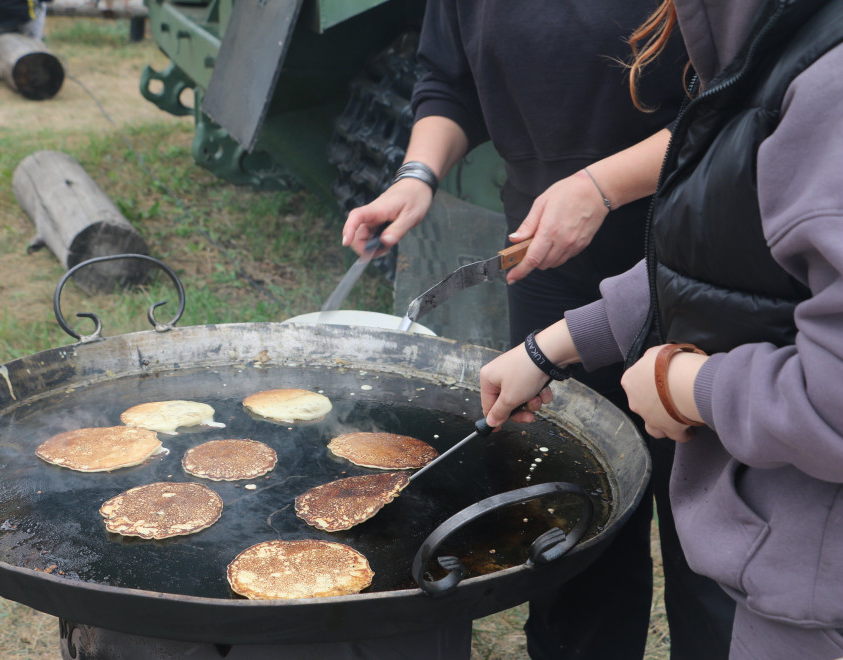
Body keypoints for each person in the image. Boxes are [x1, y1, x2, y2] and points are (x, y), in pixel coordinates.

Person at [341, 2, 735, 658]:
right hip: (551, 267)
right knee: (571, 527)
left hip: (706, 261)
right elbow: (449, 78)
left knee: (711, 549)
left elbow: (746, 103)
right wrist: (418, 175)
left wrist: (601, 186)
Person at [480, 0, 843, 657]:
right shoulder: (771, 47)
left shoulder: (830, 86)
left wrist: (685, 385)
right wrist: (550, 347)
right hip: (775, 566)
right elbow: (720, 260)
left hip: (812, 592)